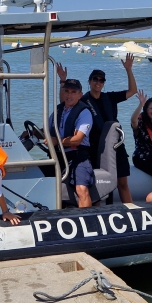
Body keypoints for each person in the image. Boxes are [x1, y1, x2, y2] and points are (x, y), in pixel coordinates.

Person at [56, 54, 137, 202]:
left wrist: (128, 69)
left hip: (115, 145)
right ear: (90, 81)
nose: (98, 82)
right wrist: (62, 80)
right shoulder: (83, 100)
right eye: (95, 79)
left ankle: (131, 213)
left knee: (123, 183)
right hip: (94, 149)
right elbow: (65, 102)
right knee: (97, 185)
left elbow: (132, 91)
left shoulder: (110, 97)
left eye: (101, 80)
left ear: (104, 83)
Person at [49, 79, 94, 208]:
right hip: (59, 156)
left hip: (78, 156)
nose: (69, 95)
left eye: (73, 92)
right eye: (67, 91)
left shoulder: (84, 113)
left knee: (82, 189)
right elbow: (46, 128)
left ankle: (87, 221)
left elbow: (78, 139)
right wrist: (29, 134)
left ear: (80, 95)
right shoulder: (58, 110)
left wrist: (56, 141)